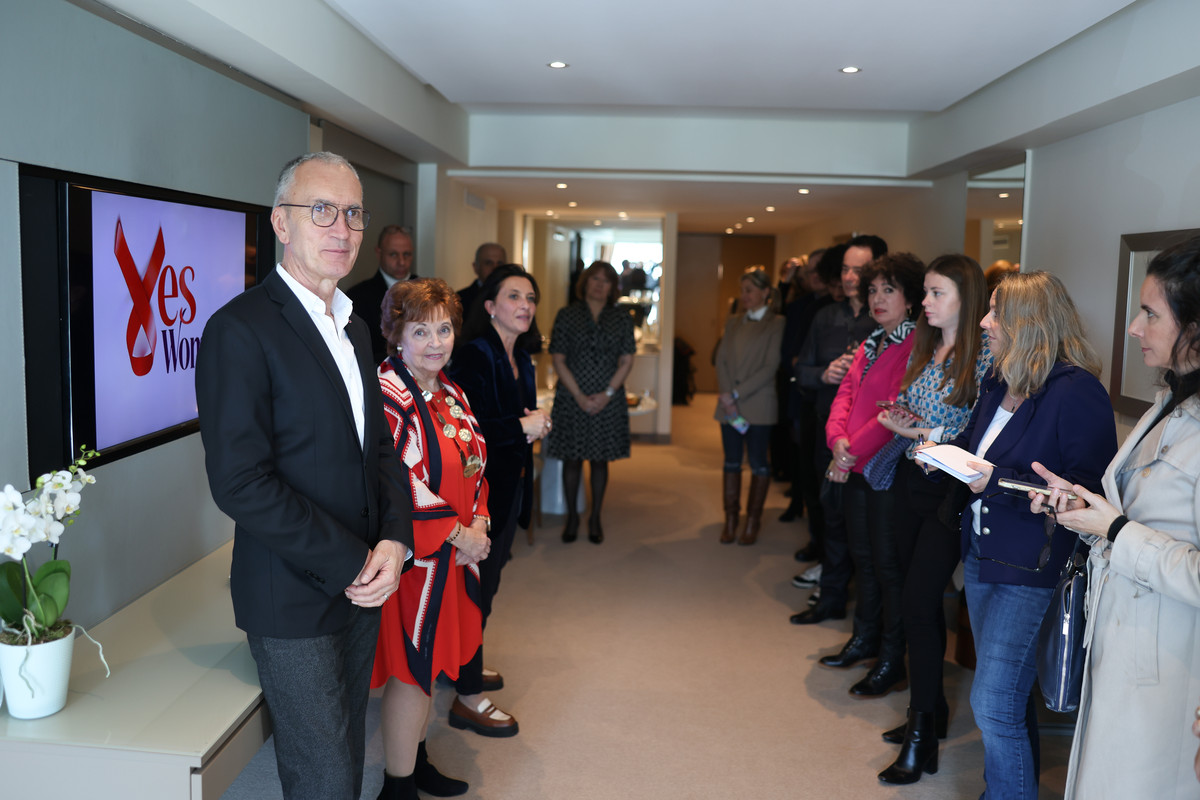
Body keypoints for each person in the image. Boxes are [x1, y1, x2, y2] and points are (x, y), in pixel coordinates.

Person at [195, 151, 414, 800]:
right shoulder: (239, 329)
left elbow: (379, 449)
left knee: (346, 753)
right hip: (291, 593)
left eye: (352, 213)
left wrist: (395, 540)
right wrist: (354, 562)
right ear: (281, 223)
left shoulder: (356, 329)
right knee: (323, 775)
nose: (341, 229)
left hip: (365, 580)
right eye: (322, 210)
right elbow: (240, 482)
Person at [1030, 236, 1200, 798]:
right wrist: (1086, 511)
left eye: (1151, 313)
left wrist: (1116, 531)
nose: (1132, 327)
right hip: (1123, 635)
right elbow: (1138, 513)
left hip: (1172, 662)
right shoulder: (1169, 402)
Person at [943, 271, 1116, 800]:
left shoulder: (1076, 392)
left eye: (996, 312)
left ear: (1030, 321)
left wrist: (995, 481)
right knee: (1004, 700)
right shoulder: (1000, 380)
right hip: (983, 551)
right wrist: (941, 453)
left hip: (1032, 564)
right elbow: (977, 449)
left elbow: (1084, 492)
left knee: (993, 703)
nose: (983, 322)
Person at [372, 278, 499, 800]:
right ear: (396, 334)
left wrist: (481, 523)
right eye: (420, 330)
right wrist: (459, 534)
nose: (435, 342)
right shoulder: (387, 394)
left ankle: (415, 761)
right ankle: (397, 787)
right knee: (411, 672)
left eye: (444, 329)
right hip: (415, 562)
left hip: (454, 555)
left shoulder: (450, 391)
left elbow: (475, 465)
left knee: (427, 670)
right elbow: (399, 482)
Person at [872, 255, 991, 784]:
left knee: (921, 603)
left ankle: (922, 736)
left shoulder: (984, 357)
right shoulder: (925, 347)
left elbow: (977, 435)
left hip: (949, 493)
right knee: (909, 596)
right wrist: (901, 421)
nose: (925, 302)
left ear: (966, 297)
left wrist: (922, 433)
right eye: (925, 292)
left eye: (937, 293)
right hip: (910, 482)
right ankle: (930, 710)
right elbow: (914, 411)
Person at [447, 264, 550, 724]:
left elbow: (515, 420)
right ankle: (467, 697)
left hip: (509, 489)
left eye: (530, 298)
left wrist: (531, 424)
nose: (525, 305)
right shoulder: (475, 355)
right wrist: (523, 425)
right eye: (514, 296)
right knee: (476, 594)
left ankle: (460, 666)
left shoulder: (522, 357)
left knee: (486, 588)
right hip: (478, 496)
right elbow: (468, 431)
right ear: (489, 306)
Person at [819, 252, 924, 699]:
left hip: (884, 470)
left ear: (911, 297)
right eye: (874, 290)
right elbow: (844, 396)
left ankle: (891, 659)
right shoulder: (871, 341)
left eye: (889, 290)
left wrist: (848, 453)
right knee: (863, 558)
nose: (878, 298)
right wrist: (836, 441)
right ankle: (864, 639)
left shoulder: (916, 345)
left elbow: (894, 413)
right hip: (855, 463)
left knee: (887, 565)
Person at [789, 238, 884, 624]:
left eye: (858, 270)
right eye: (845, 268)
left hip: (871, 440)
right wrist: (823, 374)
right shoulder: (825, 316)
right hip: (826, 429)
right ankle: (831, 597)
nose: (849, 277)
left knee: (864, 527)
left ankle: (864, 610)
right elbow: (800, 371)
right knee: (828, 514)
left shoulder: (886, 322)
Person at [547, 260, 636, 544]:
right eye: (595, 278)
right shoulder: (567, 315)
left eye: (605, 280)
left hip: (608, 397)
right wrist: (579, 396)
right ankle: (572, 517)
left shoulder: (621, 317)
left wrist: (607, 394)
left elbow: (627, 359)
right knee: (571, 459)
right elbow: (558, 358)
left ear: (612, 287)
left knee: (600, 460)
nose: (599, 284)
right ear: (585, 282)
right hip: (572, 396)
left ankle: (595, 516)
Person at [714, 267, 785, 545]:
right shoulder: (733, 321)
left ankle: (752, 521)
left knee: (758, 464)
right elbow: (720, 360)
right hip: (728, 405)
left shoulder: (776, 322)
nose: (744, 296)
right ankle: (731, 519)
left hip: (758, 403)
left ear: (765, 292)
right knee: (731, 462)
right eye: (742, 290)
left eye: (750, 290)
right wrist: (726, 395)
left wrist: (735, 393)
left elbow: (770, 366)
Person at [347, 225, 417, 364]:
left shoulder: (429, 290)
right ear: (379, 253)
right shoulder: (357, 297)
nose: (401, 262)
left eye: (407, 254)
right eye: (393, 254)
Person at [457, 242, 507, 319]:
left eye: (500, 263)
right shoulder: (459, 300)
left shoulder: (513, 297)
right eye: (488, 263)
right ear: (476, 267)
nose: (495, 268)